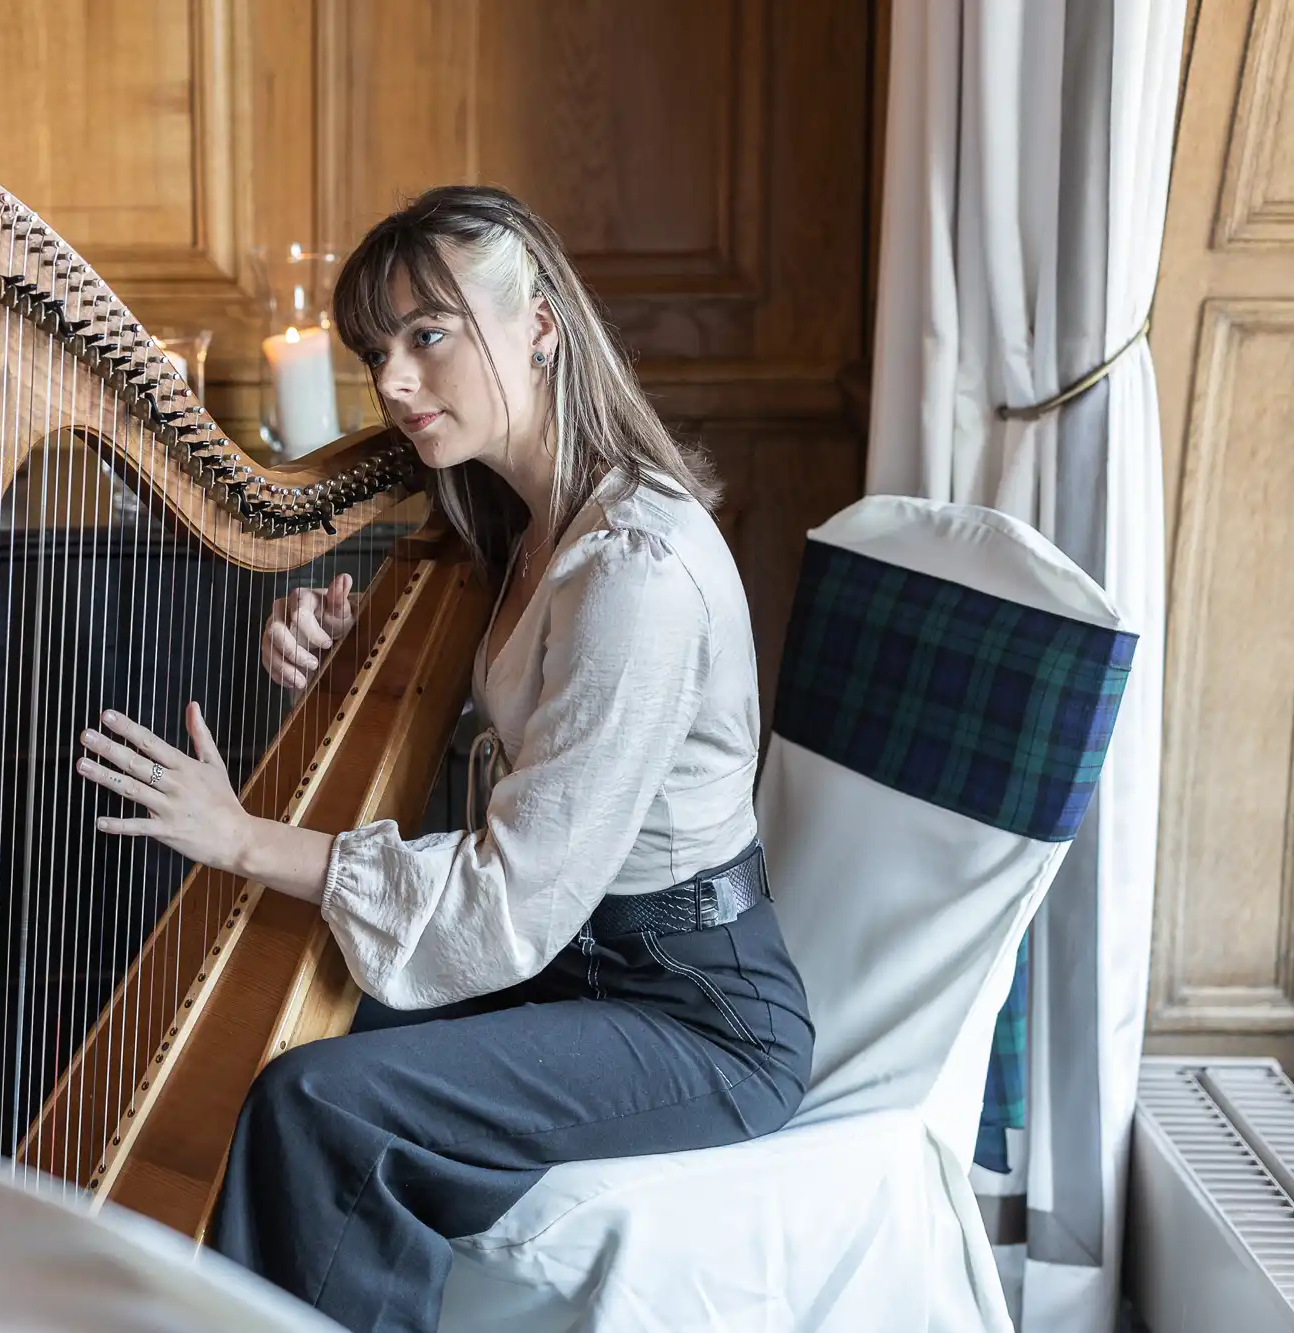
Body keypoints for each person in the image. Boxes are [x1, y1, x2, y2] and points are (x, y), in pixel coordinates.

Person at [72, 186, 812, 1333]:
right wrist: (339, 662)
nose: (395, 384)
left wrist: (241, 837)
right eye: (377, 351)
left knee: (323, 1103)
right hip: (571, 968)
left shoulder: (634, 572)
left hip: (694, 1014)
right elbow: (501, 764)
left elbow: (511, 894)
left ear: (539, 326)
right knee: (274, 1040)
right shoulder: (516, 528)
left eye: (429, 334)